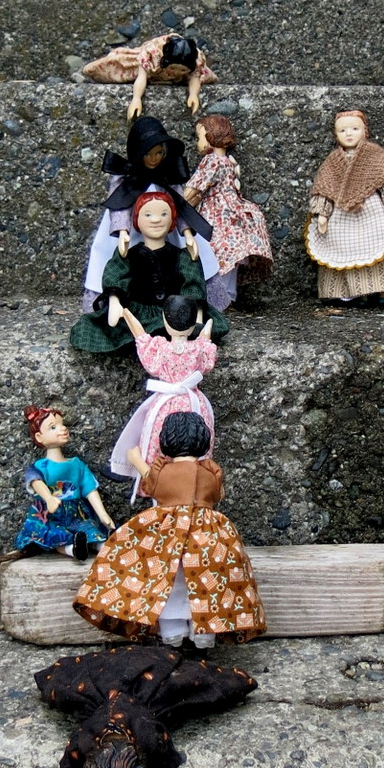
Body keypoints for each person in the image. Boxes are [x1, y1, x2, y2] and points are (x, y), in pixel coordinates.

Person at [34, 642, 257, 768]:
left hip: (144, 680)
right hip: (107, 683)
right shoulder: (87, 740)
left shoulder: (144, 734)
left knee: (211, 687)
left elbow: (163, 766)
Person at [73, 410, 266, 645]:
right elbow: (217, 494)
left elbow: (150, 485)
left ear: (166, 440)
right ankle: (206, 631)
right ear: (203, 440)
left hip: (167, 535)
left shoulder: (162, 470)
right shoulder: (211, 471)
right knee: (210, 580)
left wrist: (135, 459)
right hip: (207, 538)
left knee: (164, 580)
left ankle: (171, 632)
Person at [81, 115, 219, 312]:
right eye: (148, 154)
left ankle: (185, 303)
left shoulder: (167, 175)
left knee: (181, 263)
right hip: (131, 233)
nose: (154, 159)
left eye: (159, 153)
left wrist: (187, 233)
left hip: (166, 229)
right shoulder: (126, 178)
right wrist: (122, 231)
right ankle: (120, 303)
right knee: (116, 261)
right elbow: (120, 206)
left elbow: (180, 206)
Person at [71, 192, 229, 355]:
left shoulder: (182, 257)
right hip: (138, 313)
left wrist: (196, 315)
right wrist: (115, 302)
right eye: (148, 215)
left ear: (173, 219)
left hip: (175, 314)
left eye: (164, 214)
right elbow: (115, 276)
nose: (156, 220)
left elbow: (192, 285)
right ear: (136, 220)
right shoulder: (129, 255)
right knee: (93, 329)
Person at [306, 108, 384, 303]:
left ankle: (382, 291)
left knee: (379, 249)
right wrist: (323, 215)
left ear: (364, 131)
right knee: (347, 252)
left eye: (354, 129)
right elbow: (325, 190)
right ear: (336, 135)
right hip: (342, 215)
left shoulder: (374, 155)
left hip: (372, 211)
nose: (349, 134)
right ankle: (358, 292)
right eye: (342, 130)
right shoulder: (333, 162)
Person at [107, 293, 217, 502]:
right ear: (193, 323)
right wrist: (205, 334)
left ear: (165, 320)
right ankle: (195, 486)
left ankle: (158, 486)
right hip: (193, 402)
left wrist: (128, 316)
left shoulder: (161, 349)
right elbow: (206, 351)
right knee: (195, 444)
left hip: (165, 403)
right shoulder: (199, 348)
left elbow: (142, 338)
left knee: (157, 443)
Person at [183, 114, 273, 311]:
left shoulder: (211, 160)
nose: (198, 143)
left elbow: (194, 188)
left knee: (215, 253)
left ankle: (217, 298)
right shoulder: (226, 161)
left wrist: (178, 203)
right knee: (227, 258)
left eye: (200, 137)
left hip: (217, 214)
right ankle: (226, 297)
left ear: (212, 135)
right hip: (230, 213)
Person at [11, 406, 115, 561]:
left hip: (76, 512)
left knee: (89, 530)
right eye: (53, 427)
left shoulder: (76, 464)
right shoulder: (41, 466)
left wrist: (102, 514)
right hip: (51, 512)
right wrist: (49, 498)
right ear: (39, 437)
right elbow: (36, 482)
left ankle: (102, 546)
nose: (63, 429)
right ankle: (73, 550)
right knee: (54, 534)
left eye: (62, 424)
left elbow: (90, 489)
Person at [82, 31, 217, 119]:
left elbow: (194, 77)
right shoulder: (152, 54)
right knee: (110, 67)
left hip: (180, 70)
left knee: (206, 78)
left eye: (182, 70)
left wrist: (193, 94)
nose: (176, 72)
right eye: (173, 68)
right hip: (150, 68)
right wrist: (136, 98)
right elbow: (141, 76)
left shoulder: (196, 60)